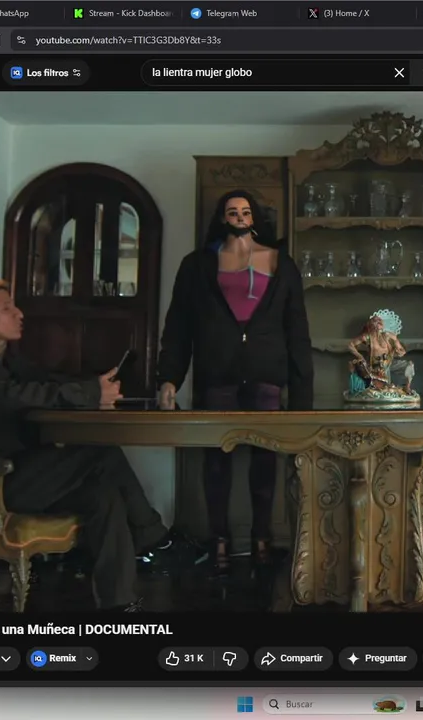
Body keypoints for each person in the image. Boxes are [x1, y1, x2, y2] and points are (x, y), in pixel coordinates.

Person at [0, 279, 196, 612]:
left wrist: (95, 387)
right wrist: (91, 394)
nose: (19, 313)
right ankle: (155, 540)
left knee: (103, 494)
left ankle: (119, 604)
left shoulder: (7, 360)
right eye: (7, 308)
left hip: (13, 473)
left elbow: (46, 381)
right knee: (98, 450)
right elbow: (13, 397)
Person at [157, 189, 313, 568]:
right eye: (232, 211)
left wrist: (303, 393)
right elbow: (178, 326)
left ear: (254, 217)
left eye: (245, 211)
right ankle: (219, 541)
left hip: (267, 374)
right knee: (216, 459)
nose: (239, 217)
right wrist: (169, 378)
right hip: (217, 372)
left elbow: (297, 330)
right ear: (221, 217)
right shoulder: (197, 265)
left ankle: (262, 539)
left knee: (265, 460)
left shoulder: (280, 263)